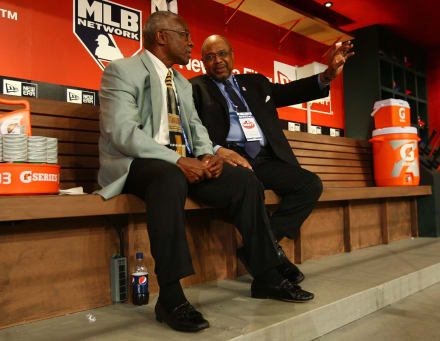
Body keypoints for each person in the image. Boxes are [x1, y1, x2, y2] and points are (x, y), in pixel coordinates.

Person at [97, 11, 314, 333]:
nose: (191, 43)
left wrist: (208, 155)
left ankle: (267, 275)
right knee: (168, 177)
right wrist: (176, 160)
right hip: (137, 163)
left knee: (243, 179)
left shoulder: (182, 83)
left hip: (185, 164)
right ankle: (170, 297)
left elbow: (196, 130)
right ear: (162, 37)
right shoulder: (122, 71)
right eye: (185, 35)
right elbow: (123, 133)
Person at [190, 35, 354, 284]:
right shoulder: (196, 88)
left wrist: (329, 74)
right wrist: (216, 149)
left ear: (232, 55)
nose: (218, 61)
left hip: (266, 159)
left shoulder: (255, 83)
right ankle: (271, 256)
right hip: (231, 159)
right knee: (249, 187)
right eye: (210, 57)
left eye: (222, 54)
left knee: (310, 184)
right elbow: (191, 129)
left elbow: (291, 91)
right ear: (203, 63)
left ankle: (261, 248)